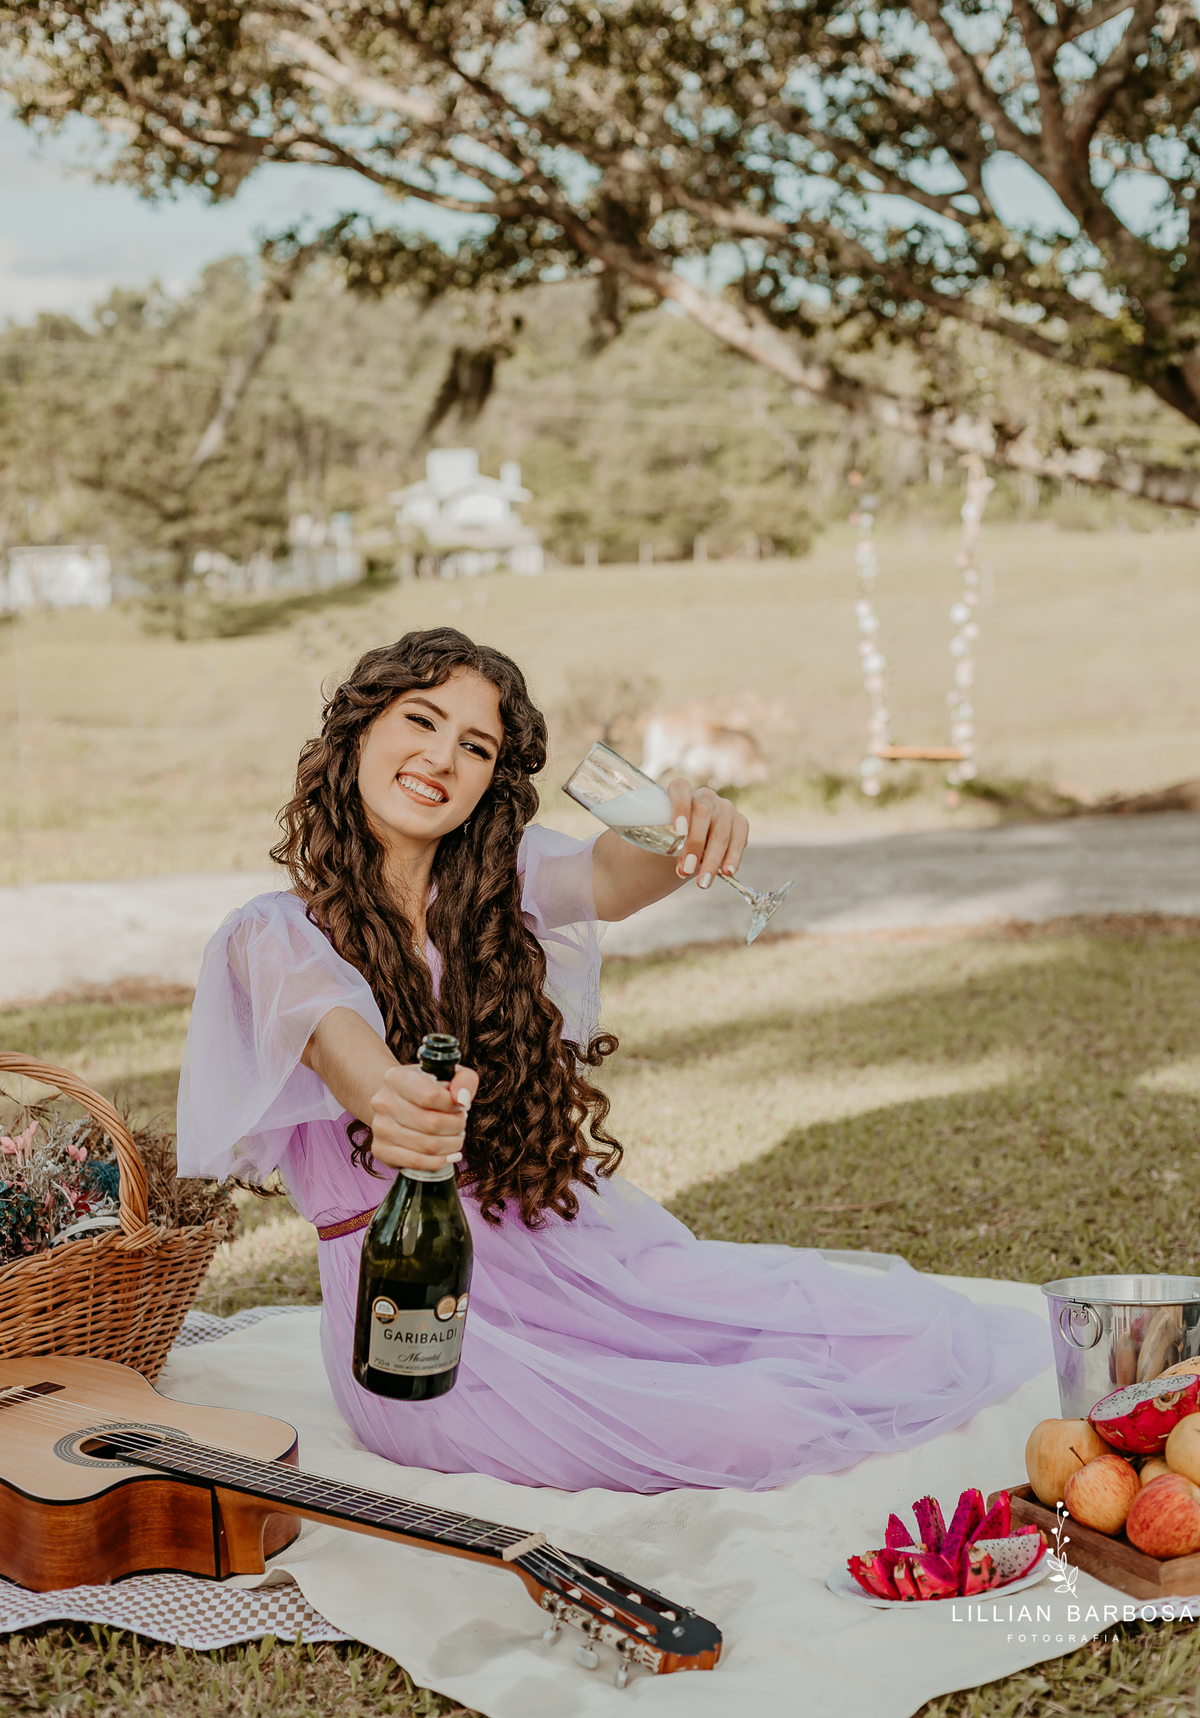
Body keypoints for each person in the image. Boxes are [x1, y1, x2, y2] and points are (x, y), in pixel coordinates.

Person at [178, 627, 1048, 1493]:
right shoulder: (272, 933)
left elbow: (615, 876)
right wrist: (397, 1099)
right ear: (360, 731)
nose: (442, 757)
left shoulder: (495, 881)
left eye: (475, 746)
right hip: (416, 1320)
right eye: (421, 720)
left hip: (553, 1243)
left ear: (490, 782)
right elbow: (343, 1043)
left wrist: (682, 823)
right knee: (752, 1423)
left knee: (884, 1324)